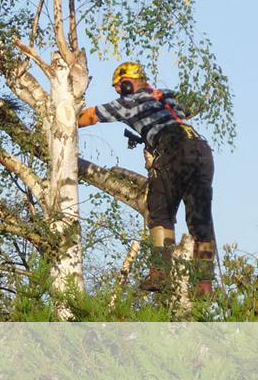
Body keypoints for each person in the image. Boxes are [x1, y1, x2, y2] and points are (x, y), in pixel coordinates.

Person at [78, 62, 215, 296]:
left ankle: (160, 273)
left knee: (160, 211)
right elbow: (194, 105)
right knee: (200, 218)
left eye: (120, 87)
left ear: (128, 83)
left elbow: (90, 116)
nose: (118, 92)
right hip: (201, 149)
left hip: (173, 148)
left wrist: (62, 122)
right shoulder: (169, 96)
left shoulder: (130, 103)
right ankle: (205, 284)